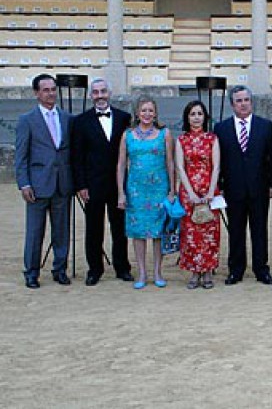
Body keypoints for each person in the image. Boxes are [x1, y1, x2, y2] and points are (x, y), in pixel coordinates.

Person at [71, 77, 133, 286]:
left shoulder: (124, 118)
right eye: (96, 92)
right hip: (93, 185)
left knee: (120, 229)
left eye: (103, 91)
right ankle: (94, 269)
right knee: (93, 230)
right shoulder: (80, 121)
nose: (100, 96)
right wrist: (81, 185)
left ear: (110, 93)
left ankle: (122, 267)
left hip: (118, 185)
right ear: (90, 96)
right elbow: (77, 156)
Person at [214, 86, 272, 286]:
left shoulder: (265, 126)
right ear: (232, 105)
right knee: (236, 231)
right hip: (233, 189)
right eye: (239, 101)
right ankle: (236, 269)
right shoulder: (221, 128)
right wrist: (220, 185)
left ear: (252, 102)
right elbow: (219, 161)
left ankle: (261, 269)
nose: (243, 104)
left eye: (246, 100)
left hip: (259, 187)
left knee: (260, 230)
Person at [15, 74, 74, 289]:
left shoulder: (67, 118)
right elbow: (21, 156)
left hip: (62, 183)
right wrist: (24, 183)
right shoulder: (26, 120)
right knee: (34, 232)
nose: (50, 93)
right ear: (36, 93)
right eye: (46, 90)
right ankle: (31, 272)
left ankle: (60, 269)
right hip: (37, 185)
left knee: (62, 231)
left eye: (53, 89)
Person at [117, 95, 175, 290]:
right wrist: (121, 192)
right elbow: (121, 165)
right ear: (137, 113)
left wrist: (172, 190)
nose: (147, 114)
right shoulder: (128, 135)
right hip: (135, 190)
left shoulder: (164, 134)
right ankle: (141, 272)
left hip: (159, 188)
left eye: (151, 110)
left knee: (159, 233)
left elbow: (170, 163)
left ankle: (158, 271)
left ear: (156, 113)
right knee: (138, 232)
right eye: (144, 110)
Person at [175, 101, 221, 290]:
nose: (196, 117)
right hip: (189, 192)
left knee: (210, 233)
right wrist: (190, 192)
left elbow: (216, 165)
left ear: (205, 117)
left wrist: (211, 191)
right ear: (187, 117)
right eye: (192, 114)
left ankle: (208, 271)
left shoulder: (212, 138)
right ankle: (194, 271)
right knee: (191, 234)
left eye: (199, 114)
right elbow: (180, 167)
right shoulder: (182, 140)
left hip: (209, 189)